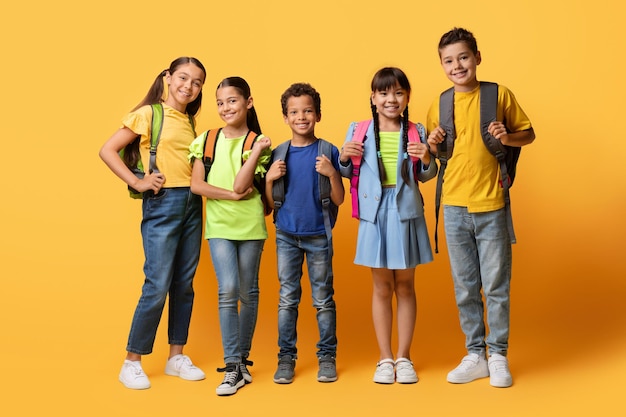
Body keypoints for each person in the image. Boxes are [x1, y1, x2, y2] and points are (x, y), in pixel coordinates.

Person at [426, 27, 535, 388]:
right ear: (442, 65)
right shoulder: (439, 104)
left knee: (497, 285)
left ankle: (498, 354)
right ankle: (475, 355)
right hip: (454, 206)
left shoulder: (498, 94)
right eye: (449, 60)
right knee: (465, 286)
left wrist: (507, 136)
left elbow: (528, 134)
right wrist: (431, 142)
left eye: (463, 57)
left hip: (492, 204)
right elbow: (431, 158)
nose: (457, 65)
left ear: (477, 57)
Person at [99, 57, 207, 390]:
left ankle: (176, 356)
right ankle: (132, 361)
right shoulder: (149, 114)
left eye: (197, 82)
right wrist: (138, 181)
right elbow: (108, 150)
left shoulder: (189, 121)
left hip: (192, 203)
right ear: (167, 77)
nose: (188, 86)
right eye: (183, 78)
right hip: (164, 203)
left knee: (184, 283)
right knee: (157, 283)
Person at [339, 67, 437, 384]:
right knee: (382, 287)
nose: (390, 99)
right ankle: (385, 358)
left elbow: (425, 175)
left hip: (405, 210)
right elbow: (347, 170)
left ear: (407, 97)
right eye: (383, 93)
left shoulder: (416, 130)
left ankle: (404, 357)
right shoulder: (358, 129)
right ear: (373, 97)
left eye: (397, 92)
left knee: (406, 286)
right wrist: (343, 157)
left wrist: (426, 158)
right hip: (373, 211)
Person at [188, 76, 271, 396]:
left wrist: (255, 153)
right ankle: (232, 364)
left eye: (232, 101)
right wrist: (232, 197)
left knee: (249, 292)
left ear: (248, 103)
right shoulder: (207, 140)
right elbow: (198, 186)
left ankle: (242, 362)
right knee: (229, 289)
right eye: (220, 102)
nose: (225, 108)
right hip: (220, 226)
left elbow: (243, 184)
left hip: (250, 226)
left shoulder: (259, 143)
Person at [264, 83, 344, 384]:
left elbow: (339, 199)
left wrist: (332, 173)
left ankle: (327, 357)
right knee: (287, 299)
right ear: (285, 117)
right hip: (286, 235)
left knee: (323, 299)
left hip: (319, 235)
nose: (301, 117)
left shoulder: (327, 152)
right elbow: (269, 207)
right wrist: (270, 180)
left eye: (308, 111)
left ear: (318, 115)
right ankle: (286, 358)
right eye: (294, 112)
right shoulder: (278, 154)